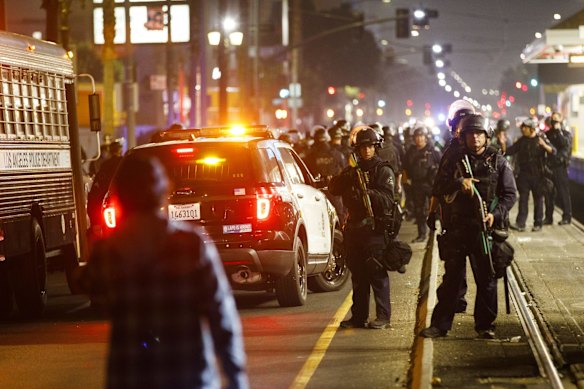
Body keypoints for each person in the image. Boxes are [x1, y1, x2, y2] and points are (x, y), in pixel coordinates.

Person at [77, 154, 248, 389]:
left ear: (121, 196)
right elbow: (221, 314)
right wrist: (235, 378)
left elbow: (89, 287)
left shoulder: (108, 252)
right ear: (162, 191)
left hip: (130, 376)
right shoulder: (191, 244)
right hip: (190, 376)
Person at [420, 114, 517, 339]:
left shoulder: (498, 161)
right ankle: (440, 325)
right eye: (470, 134)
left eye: (479, 133)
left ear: (486, 136)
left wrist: (495, 214)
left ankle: (485, 325)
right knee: (452, 279)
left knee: (487, 278)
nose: (475, 138)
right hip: (456, 228)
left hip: (483, 229)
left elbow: (510, 194)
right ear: (463, 137)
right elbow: (438, 186)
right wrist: (458, 182)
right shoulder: (453, 159)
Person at [329, 127, 395, 330]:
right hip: (355, 230)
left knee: (377, 273)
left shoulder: (382, 170)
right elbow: (334, 188)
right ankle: (359, 316)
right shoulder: (351, 171)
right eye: (362, 147)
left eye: (370, 147)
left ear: (376, 147)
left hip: (374, 229)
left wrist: (368, 193)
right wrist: (348, 177)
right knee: (358, 276)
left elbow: (388, 199)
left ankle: (383, 316)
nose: (366, 151)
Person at [427, 99, 475, 314]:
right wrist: (432, 211)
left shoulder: (486, 153)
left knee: (483, 268)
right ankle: (458, 299)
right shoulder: (450, 153)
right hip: (453, 217)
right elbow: (439, 185)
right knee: (454, 264)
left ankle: (483, 319)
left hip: (477, 218)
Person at [506, 118, 555, 232]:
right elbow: (510, 150)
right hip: (523, 175)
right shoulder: (522, 140)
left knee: (538, 200)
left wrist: (544, 146)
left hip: (538, 175)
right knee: (523, 199)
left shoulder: (541, 139)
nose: (522, 129)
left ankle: (538, 223)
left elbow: (554, 151)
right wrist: (502, 145)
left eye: (525, 127)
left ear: (531, 129)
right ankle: (520, 223)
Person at [403, 126, 441, 243]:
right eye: (417, 137)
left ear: (425, 137)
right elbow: (405, 167)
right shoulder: (411, 151)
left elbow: (441, 166)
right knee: (419, 210)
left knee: (435, 209)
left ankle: (436, 230)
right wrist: (406, 180)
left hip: (430, 184)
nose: (419, 139)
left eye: (421, 136)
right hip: (416, 185)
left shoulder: (432, 151)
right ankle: (422, 234)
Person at [304, 126, 347, 222]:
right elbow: (345, 171)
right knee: (339, 219)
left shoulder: (310, 156)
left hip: (316, 194)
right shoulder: (337, 154)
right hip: (335, 193)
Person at [87, 140, 125, 233]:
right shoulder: (126, 163)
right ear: (120, 150)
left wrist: (95, 222)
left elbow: (95, 194)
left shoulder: (106, 166)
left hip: (111, 207)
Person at [543, 111, 572, 225]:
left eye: (556, 120)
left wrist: (559, 131)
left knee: (563, 192)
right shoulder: (547, 134)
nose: (554, 122)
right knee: (549, 193)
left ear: (561, 121)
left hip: (560, 167)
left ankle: (567, 216)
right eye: (552, 120)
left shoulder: (566, 134)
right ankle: (548, 217)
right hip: (549, 167)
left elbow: (564, 145)